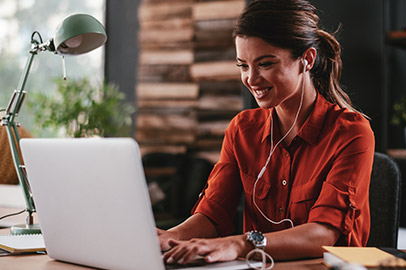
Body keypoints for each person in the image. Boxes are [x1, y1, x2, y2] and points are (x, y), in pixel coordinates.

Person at [157, 0, 375, 265]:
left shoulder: (351, 132)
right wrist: (170, 237)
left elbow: (324, 233)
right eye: (243, 66)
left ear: (306, 59)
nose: (251, 78)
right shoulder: (243, 130)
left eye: (265, 64)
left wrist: (241, 243)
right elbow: (213, 215)